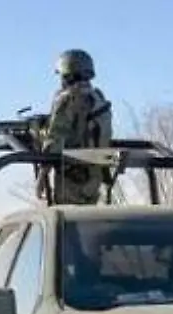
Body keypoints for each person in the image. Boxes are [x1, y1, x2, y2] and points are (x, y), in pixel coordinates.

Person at [36, 48, 114, 206]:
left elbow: (55, 139)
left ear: (67, 75)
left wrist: (42, 175)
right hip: (94, 178)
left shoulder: (68, 99)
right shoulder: (98, 98)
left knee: (66, 218)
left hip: (72, 177)